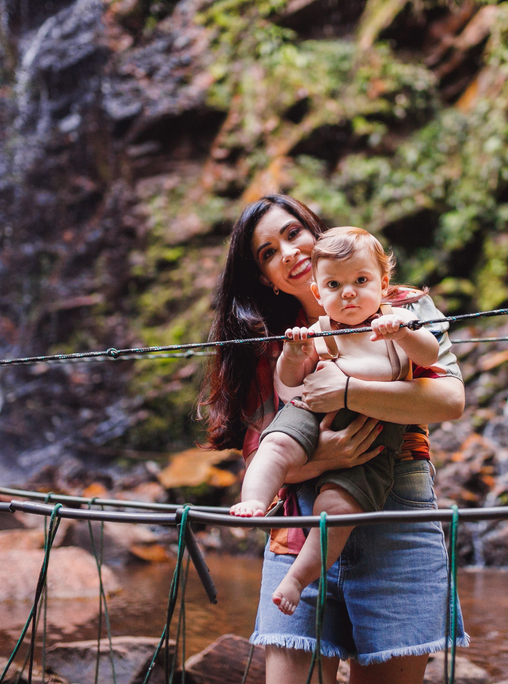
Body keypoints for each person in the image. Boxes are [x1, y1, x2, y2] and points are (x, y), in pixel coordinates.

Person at [201, 194, 468, 684]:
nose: (287, 252)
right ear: (265, 277)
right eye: (267, 253)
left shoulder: (401, 309)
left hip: (395, 516)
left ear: (315, 232)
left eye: (292, 233)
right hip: (297, 527)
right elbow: (264, 452)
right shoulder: (273, 343)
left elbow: (449, 400)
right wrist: (323, 458)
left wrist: (349, 391)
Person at [231, 226, 441, 615]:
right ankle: (254, 502)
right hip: (310, 412)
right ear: (318, 293)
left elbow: (429, 356)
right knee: (275, 444)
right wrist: (294, 353)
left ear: (383, 283)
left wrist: (403, 334)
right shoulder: (320, 329)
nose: (348, 293)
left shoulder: (398, 317)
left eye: (361, 281)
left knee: (337, 509)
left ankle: (297, 577)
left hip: (373, 432)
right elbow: (290, 383)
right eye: (334, 284)